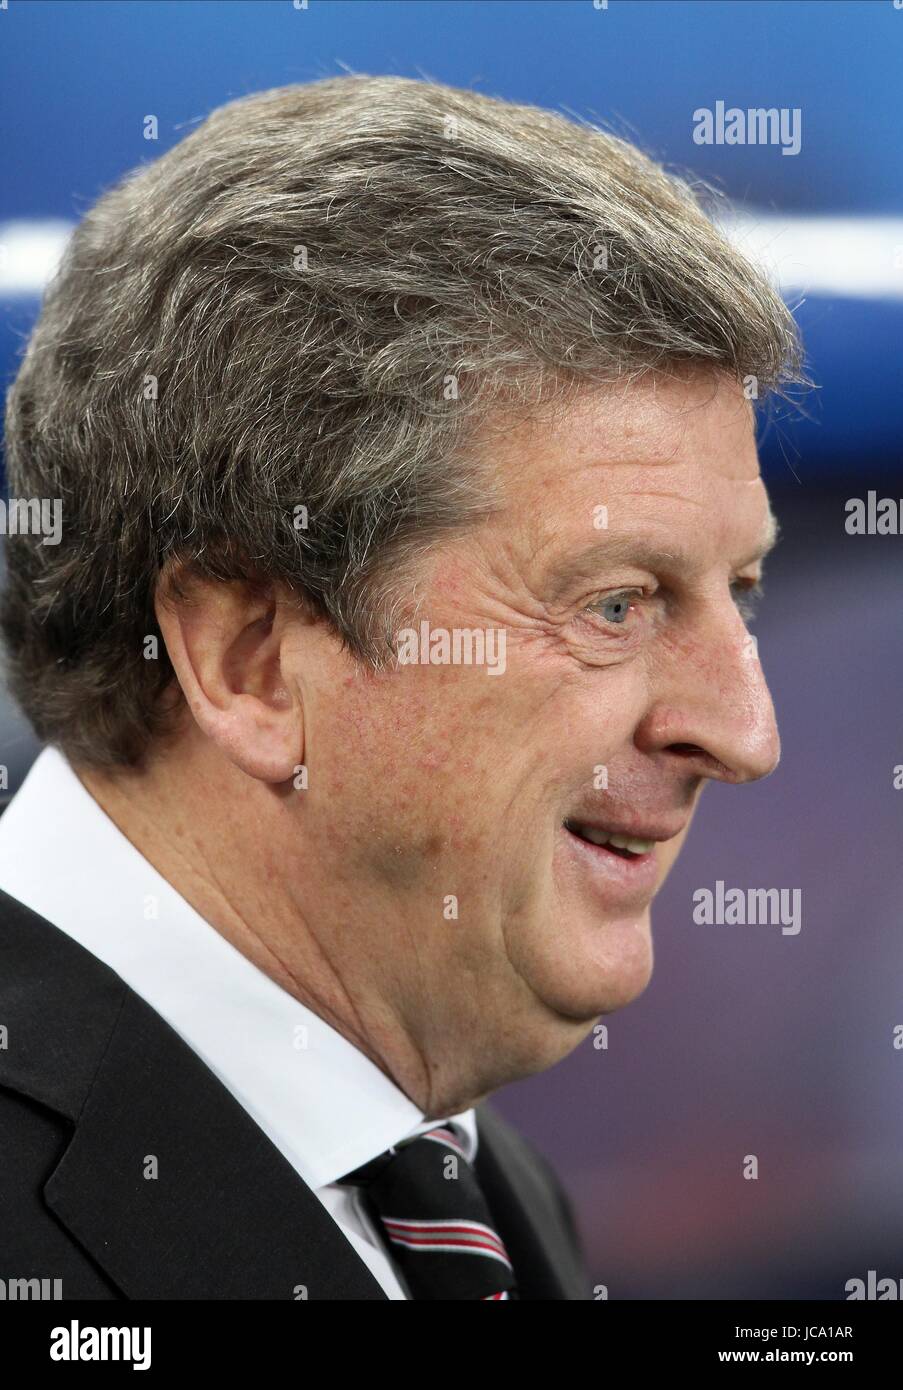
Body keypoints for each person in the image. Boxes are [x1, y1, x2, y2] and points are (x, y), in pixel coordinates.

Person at [0, 75, 800, 1300]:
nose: (745, 733)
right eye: (617, 603)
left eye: (737, 592)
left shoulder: (475, 1187)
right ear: (247, 662)